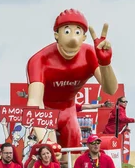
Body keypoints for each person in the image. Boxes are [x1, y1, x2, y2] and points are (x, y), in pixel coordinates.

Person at [26, 10, 118, 151]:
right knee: (50, 155)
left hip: (69, 111)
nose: (73, 39)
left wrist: (105, 63)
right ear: (56, 35)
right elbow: (34, 102)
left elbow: (110, 89)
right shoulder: (39, 60)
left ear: (84, 37)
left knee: (74, 156)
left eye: (78, 32)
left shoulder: (89, 54)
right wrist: (45, 139)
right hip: (45, 112)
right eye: (67, 31)